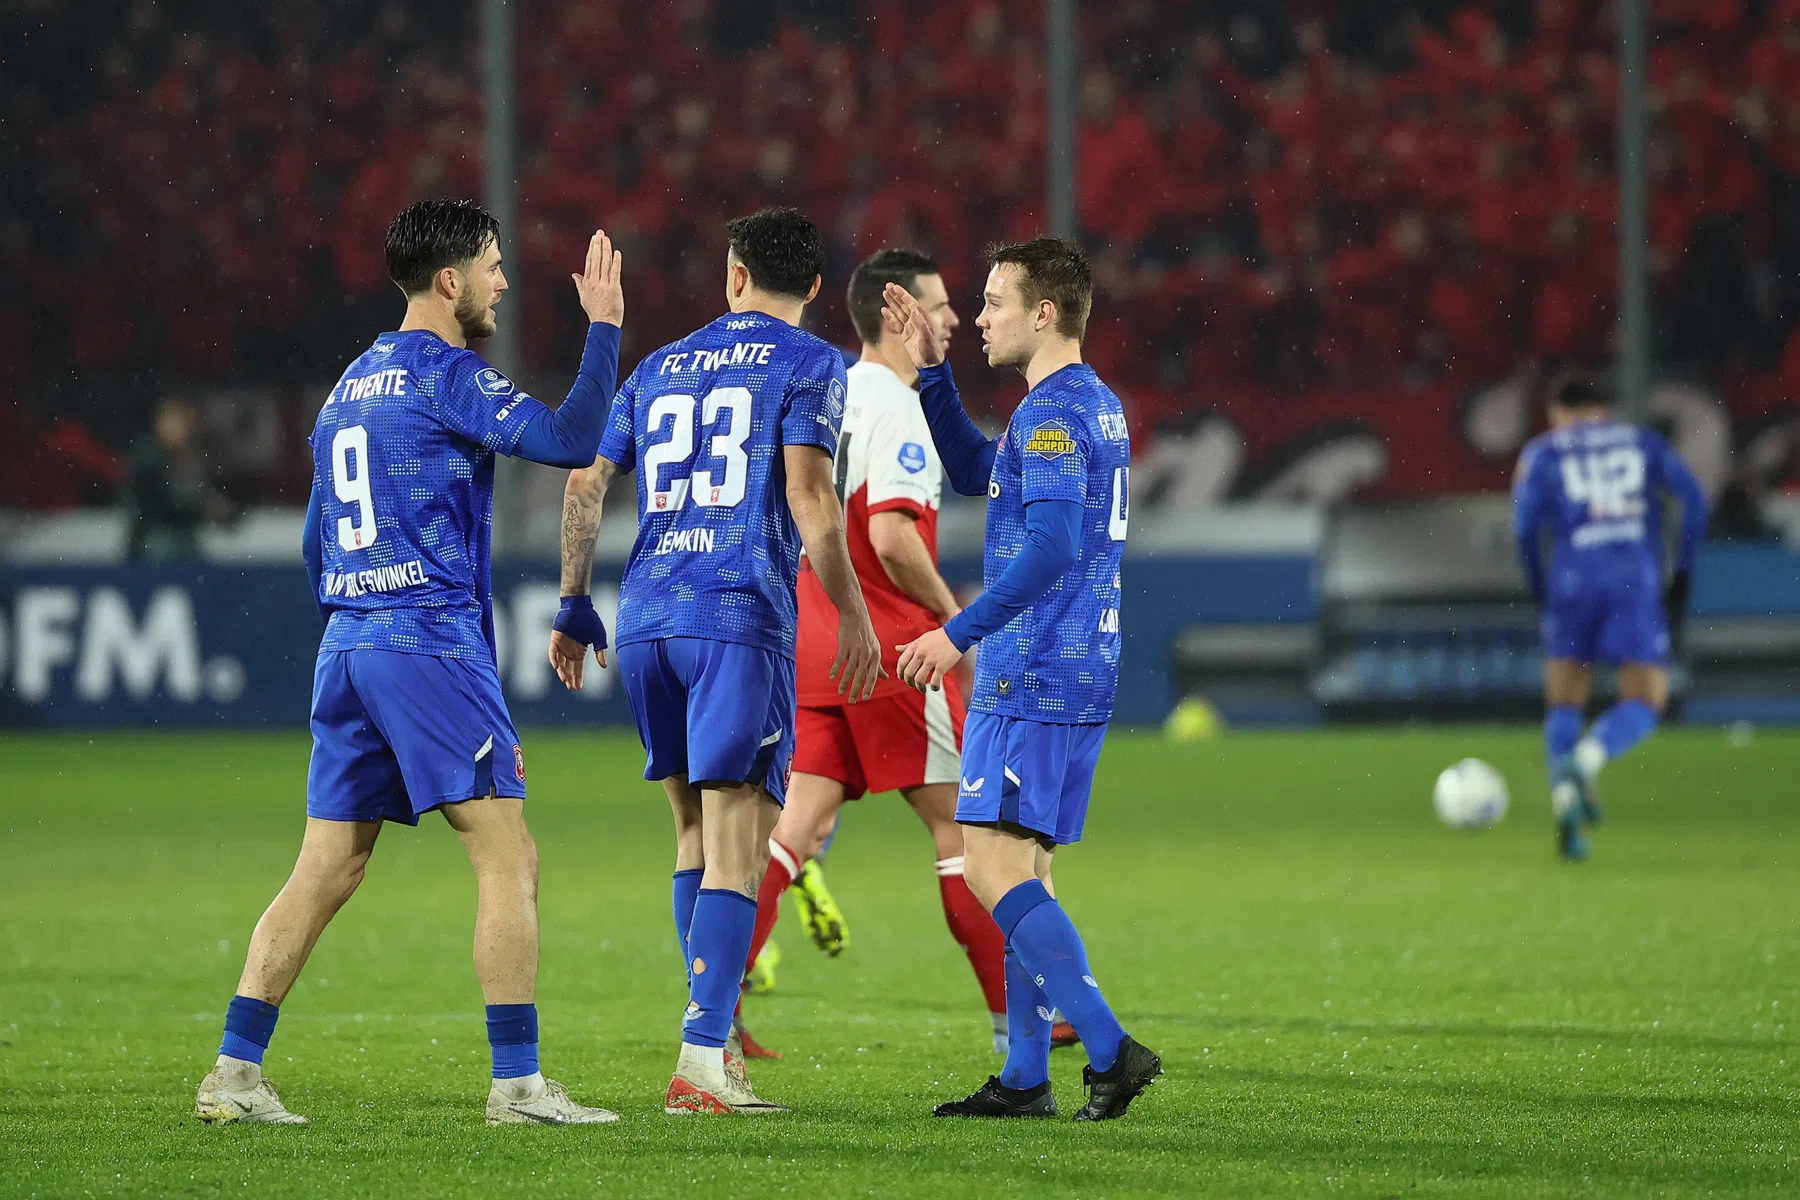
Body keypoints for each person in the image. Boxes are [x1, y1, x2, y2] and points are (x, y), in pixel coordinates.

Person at [193, 199, 626, 1127]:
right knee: (508, 856)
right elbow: (570, 441)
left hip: (349, 644)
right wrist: (604, 331)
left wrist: (358, 620)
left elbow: (315, 542)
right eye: (492, 266)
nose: (502, 283)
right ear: (448, 279)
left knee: (327, 867)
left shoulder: (348, 389)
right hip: (426, 640)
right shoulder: (445, 374)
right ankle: (518, 1085)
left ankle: (234, 1071)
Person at [550, 206, 884, 1116]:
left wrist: (574, 603)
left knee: (693, 836)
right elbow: (810, 496)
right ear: (813, 286)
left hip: (648, 620)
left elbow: (585, 481)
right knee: (739, 844)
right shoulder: (812, 363)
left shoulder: (659, 364)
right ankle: (702, 1060)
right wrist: (853, 616)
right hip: (737, 617)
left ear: (734, 275)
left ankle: (716, 1046)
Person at [882, 237, 1163, 1122]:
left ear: (1044, 313)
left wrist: (954, 633)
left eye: (995, 301)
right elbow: (977, 472)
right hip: (1081, 665)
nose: (980, 318)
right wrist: (931, 374)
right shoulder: (1090, 404)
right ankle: (1025, 1075)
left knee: (989, 868)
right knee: (1024, 869)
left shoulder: (1049, 419)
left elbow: (1051, 546)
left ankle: (1111, 1051)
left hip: (1032, 671)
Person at [734, 248, 1021, 1059]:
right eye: (941, 304)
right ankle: (1024, 1024)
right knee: (965, 829)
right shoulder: (901, 405)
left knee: (791, 831)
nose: (956, 318)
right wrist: (952, 618)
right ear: (900, 314)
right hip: (893, 645)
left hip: (814, 641)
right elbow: (893, 538)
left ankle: (714, 1011)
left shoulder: (828, 390)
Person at [1511, 372, 1708, 861]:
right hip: (1632, 578)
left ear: (1558, 413)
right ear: (1604, 408)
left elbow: (1524, 528)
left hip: (1571, 580)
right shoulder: (1640, 442)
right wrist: (1682, 571)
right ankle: (1587, 759)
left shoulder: (1542, 452)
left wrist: (1539, 586)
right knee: (1645, 698)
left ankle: (1565, 803)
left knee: (1564, 702)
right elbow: (1694, 501)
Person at [124, 398, 234, 559]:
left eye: (178, 422)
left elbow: (216, 491)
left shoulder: (200, 456)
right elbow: (154, 504)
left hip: (187, 536)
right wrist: (202, 505)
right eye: (168, 422)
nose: (173, 429)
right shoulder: (147, 457)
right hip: (152, 537)